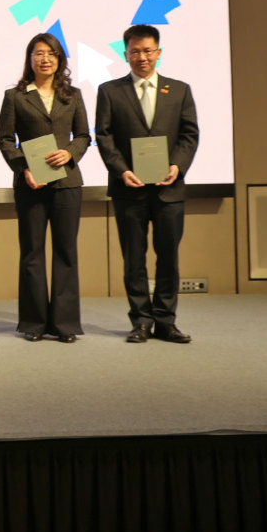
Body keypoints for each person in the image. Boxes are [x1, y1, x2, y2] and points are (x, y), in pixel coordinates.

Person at [96, 23, 200, 344]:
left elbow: (189, 134)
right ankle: (140, 321)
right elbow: (104, 136)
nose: (142, 57)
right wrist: (121, 170)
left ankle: (166, 321)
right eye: (135, 51)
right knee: (134, 259)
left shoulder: (179, 90)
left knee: (168, 257)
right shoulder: (110, 91)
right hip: (129, 189)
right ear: (125, 54)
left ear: (159, 52)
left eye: (148, 51)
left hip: (169, 189)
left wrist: (177, 165)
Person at [0, 32, 89, 343]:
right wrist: (23, 168)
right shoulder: (15, 96)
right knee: (32, 253)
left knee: (66, 253)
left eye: (51, 53)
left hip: (67, 184)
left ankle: (64, 324)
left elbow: (83, 135)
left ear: (59, 59)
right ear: (30, 59)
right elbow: (5, 140)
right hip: (30, 185)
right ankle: (34, 323)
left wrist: (70, 153)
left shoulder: (73, 95)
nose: (44, 59)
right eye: (38, 53)